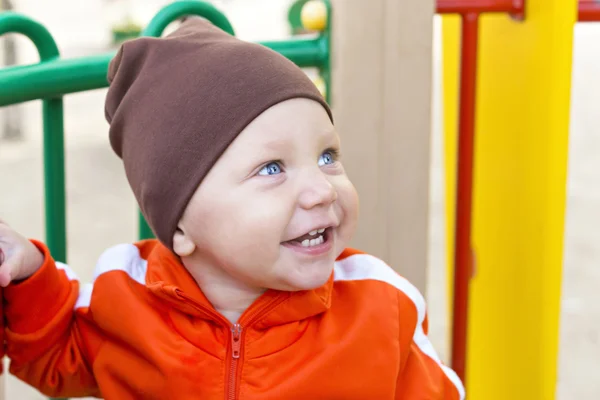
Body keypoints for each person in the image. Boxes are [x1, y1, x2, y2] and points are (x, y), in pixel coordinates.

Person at [0, 17, 464, 400]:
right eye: (272, 168)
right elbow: (58, 356)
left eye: (328, 157)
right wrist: (27, 273)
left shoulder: (381, 308)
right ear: (180, 224)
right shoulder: (125, 294)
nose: (322, 190)